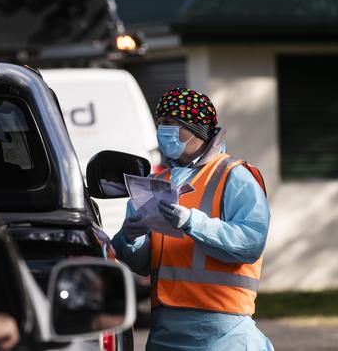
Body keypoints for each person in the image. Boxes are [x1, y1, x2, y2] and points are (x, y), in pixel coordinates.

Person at [111, 87, 274, 350]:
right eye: (161, 123)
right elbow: (141, 265)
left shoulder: (235, 176)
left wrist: (191, 222)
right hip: (165, 329)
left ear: (197, 129)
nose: (164, 131)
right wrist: (130, 238)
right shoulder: (155, 183)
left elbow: (251, 242)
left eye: (173, 124)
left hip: (223, 330)